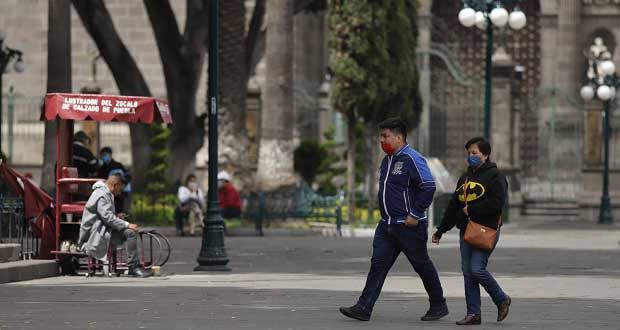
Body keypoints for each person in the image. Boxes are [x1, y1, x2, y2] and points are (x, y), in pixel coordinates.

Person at [339, 117, 448, 322]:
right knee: (377, 265)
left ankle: (438, 304)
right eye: (381, 136)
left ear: (399, 137)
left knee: (421, 265)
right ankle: (363, 307)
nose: (382, 140)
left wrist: (414, 214)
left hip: (409, 226)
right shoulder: (387, 160)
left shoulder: (412, 158)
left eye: (385, 136)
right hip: (387, 226)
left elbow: (428, 186)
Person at [432, 136, 511, 325]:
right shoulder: (464, 178)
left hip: (486, 229)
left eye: (474, 153)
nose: (470, 156)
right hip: (466, 231)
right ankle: (473, 313)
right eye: (468, 153)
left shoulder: (495, 176)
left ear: (485, 154)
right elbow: (453, 207)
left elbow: (497, 204)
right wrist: (440, 230)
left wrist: (472, 209)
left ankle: (501, 299)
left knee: (476, 269)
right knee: (468, 272)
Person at [78, 174, 151, 277]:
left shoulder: (106, 193)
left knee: (130, 233)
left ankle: (133, 266)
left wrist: (117, 216)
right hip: (96, 234)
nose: (119, 193)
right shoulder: (101, 194)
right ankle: (133, 267)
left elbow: (106, 215)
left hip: (104, 230)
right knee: (130, 233)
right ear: (115, 185)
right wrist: (127, 224)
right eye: (120, 189)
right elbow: (107, 218)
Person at [97, 146, 131, 214]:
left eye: (105, 155)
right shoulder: (101, 169)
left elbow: (127, 177)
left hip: (119, 193)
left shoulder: (118, 165)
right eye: (102, 155)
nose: (104, 157)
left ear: (110, 154)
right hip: (107, 194)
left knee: (119, 211)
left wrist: (123, 185)